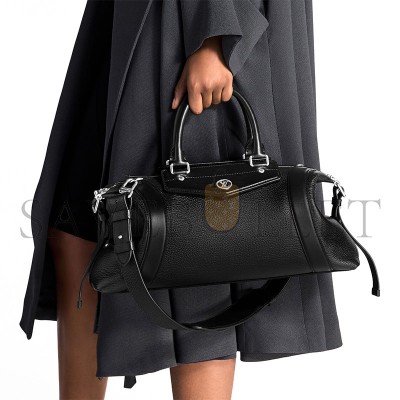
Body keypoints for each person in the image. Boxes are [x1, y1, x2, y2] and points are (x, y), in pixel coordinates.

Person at [20, 1, 343, 398]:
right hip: (131, 15)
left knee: (199, 245)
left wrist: (213, 34)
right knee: (76, 226)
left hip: (196, 21)